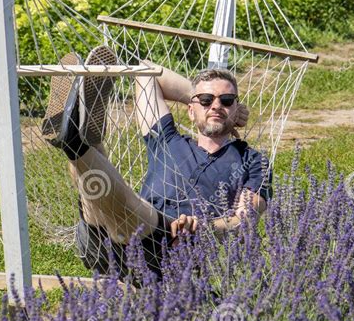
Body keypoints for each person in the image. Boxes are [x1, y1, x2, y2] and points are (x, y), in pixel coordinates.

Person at [42, 46, 272, 279]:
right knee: (99, 194)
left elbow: (245, 218)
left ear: (236, 106)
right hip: (102, 236)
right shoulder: (167, 139)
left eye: (227, 100)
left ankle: (74, 140)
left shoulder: (252, 160)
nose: (215, 106)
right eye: (205, 100)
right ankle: (77, 137)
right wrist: (209, 100)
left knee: (127, 207)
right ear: (190, 111)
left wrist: (204, 227)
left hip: (164, 250)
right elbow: (146, 71)